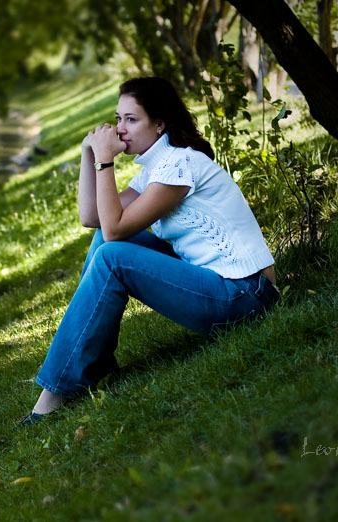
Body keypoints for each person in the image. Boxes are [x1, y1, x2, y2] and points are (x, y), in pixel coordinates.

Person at [19, 77, 279, 426]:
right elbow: (93, 219)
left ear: (159, 123)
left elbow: (115, 228)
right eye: (118, 118)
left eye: (131, 119)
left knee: (112, 254)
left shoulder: (179, 166)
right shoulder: (158, 168)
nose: (120, 129)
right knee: (105, 245)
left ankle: (56, 393)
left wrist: (105, 163)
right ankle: (92, 361)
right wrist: (88, 154)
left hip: (245, 294)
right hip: (223, 285)